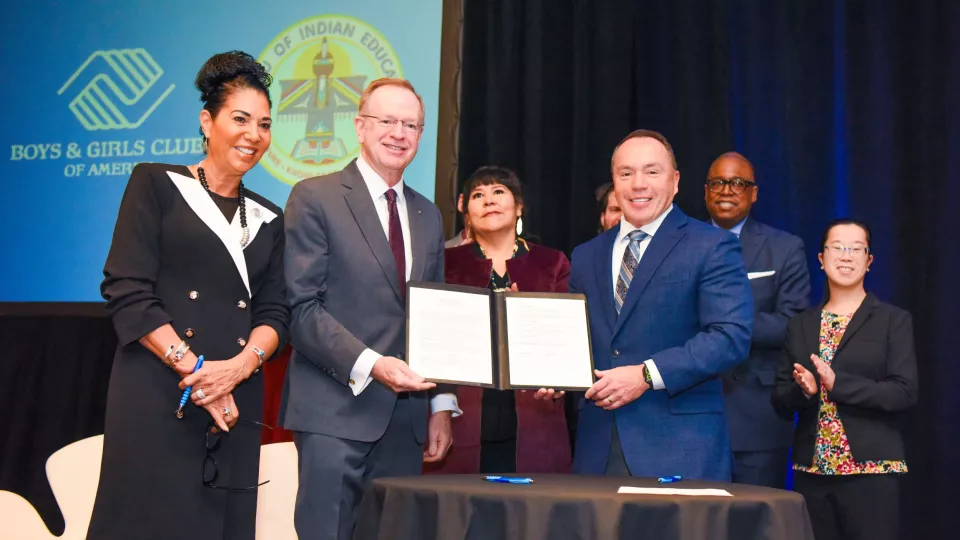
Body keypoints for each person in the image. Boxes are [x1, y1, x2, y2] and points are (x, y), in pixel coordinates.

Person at [88, 51, 289, 540]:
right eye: (239, 119)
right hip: (159, 392)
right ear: (207, 121)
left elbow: (275, 312)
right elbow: (127, 289)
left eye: (264, 124)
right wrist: (198, 373)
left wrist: (237, 370)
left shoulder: (269, 217)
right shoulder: (156, 184)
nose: (253, 135)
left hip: (234, 401)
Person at [280, 78, 457, 540]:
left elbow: (431, 316)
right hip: (334, 411)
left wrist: (440, 403)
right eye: (387, 121)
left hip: (406, 420)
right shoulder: (314, 197)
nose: (399, 133)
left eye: (411, 124)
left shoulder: (428, 213)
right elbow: (301, 308)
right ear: (360, 127)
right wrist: (374, 365)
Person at [543, 129, 753, 481]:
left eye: (652, 172)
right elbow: (579, 342)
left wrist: (646, 374)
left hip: (681, 449)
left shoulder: (713, 246)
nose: (638, 184)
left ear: (675, 181)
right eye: (626, 173)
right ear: (614, 181)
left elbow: (729, 337)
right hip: (598, 448)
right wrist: (552, 372)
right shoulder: (586, 255)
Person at [773, 219, 918, 540]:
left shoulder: (893, 320)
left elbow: (904, 392)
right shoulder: (800, 324)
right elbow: (781, 401)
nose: (846, 256)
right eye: (837, 248)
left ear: (869, 261)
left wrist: (838, 385)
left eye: (856, 249)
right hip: (812, 473)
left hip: (871, 472)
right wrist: (806, 392)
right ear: (821, 259)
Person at [426, 166, 572, 475]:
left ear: (519, 206)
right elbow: (434, 348)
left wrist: (559, 381)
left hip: (536, 417)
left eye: (498, 192)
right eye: (479, 195)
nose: (488, 200)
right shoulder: (446, 264)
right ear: (466, 210)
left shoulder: (552, 262)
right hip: (464, 417)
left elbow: (566, 342)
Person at [705, 152, 811, 488]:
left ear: (754, 193)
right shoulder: (679, 244)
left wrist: (726, 324)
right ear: (705, 191)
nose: (727, 190)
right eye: (718, 183)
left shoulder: (784, 248)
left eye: (738, 183)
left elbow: (792, 325)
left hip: (758, 416)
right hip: (689, 414)